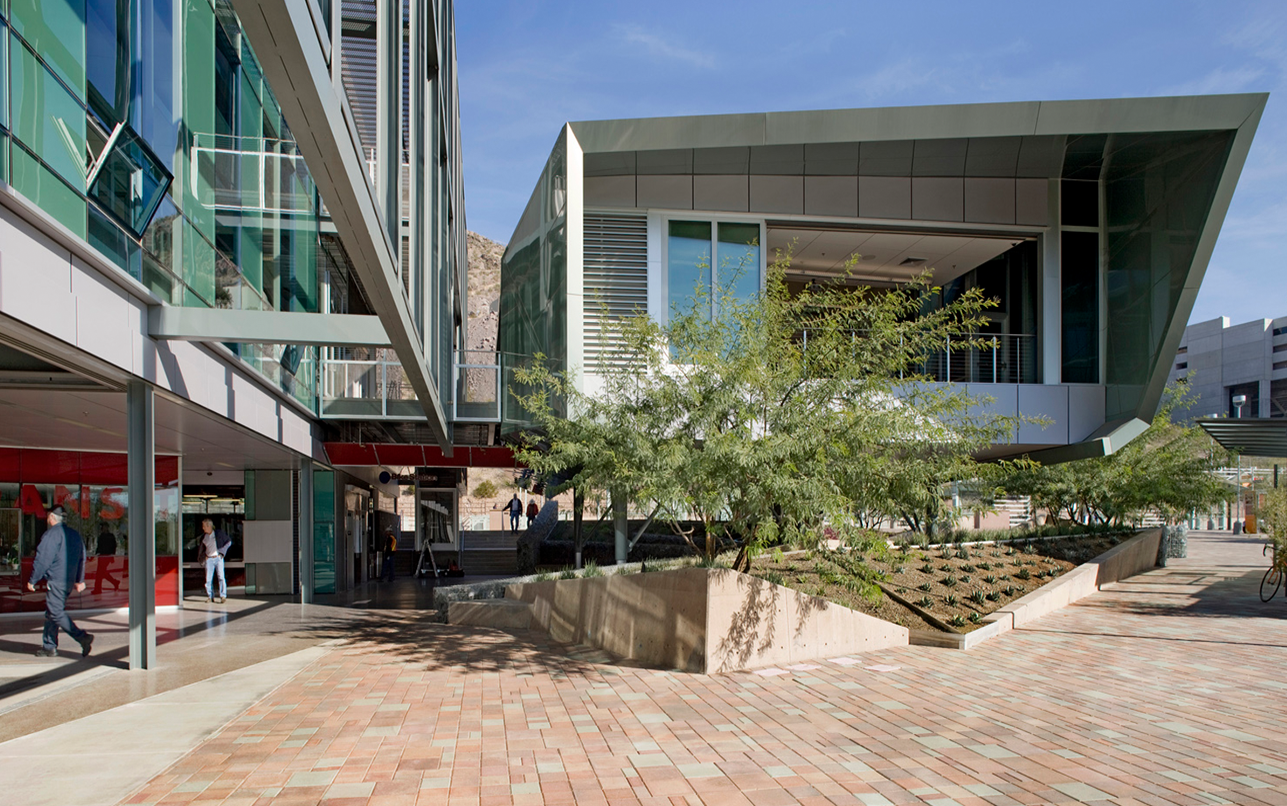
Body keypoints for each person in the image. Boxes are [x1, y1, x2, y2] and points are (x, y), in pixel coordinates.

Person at [26, 505, 93, 658]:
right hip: (68, 582)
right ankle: (49, 646)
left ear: (51, 518)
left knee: (56, 612)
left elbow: (43, 559)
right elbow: (82, 558)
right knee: (52, 612)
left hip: (56, 580)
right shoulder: (75, 535)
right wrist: (79, 579)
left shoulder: (51, 535)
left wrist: (33, 580)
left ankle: (82, 637)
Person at [200, 518, 232, 603]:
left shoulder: (218, 534)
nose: (203, 528)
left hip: (218, 558)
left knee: (221, 577)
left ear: (209, 526)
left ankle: (223, 596)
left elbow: (228, 542)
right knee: (208, 579)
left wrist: (222, 552)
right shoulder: (205, 537)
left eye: (204, 526)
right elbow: (202, 548)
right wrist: (204, 556)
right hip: (209, 559)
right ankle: (210, 596)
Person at [92, 526, 119, 594]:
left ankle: (98, 589)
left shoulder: (109, 536)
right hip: (102, 556)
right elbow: (99, 546)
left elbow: (114, 546)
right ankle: (114, 582)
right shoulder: (102, 536)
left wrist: (112, 556)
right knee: (101, 572)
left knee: (100, 573)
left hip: (106, 556)